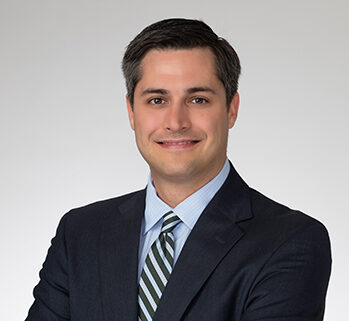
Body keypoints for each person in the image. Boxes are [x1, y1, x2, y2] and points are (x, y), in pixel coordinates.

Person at [26, 18, 331, 321]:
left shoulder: (290, 241)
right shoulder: (80, 233)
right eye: (157, 100)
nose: (176, 121)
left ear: (231, 109)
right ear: (132, 112)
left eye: (198, 99)